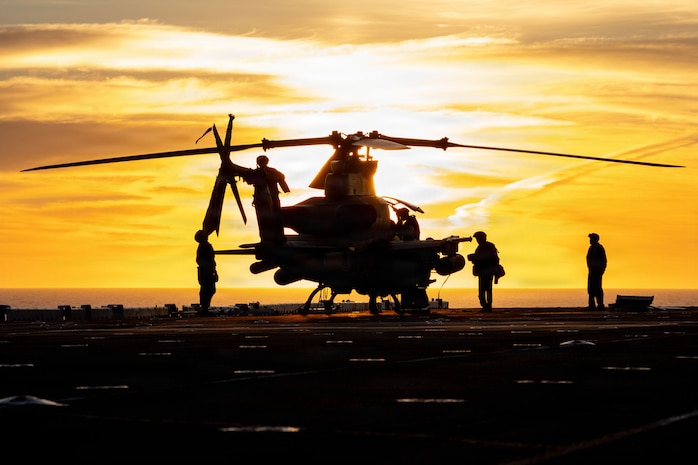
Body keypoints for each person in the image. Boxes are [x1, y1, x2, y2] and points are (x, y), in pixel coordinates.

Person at [467, 231, 500, 312]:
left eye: (478, 238)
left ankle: (487, 306)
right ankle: (486, 306)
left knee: (485, 290)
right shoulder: (486, 246)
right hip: (484, 271)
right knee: (486, 290)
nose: (477, 240)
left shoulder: (486, 247)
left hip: (486, 271)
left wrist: (475, 258)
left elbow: (488, 258)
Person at [195, 229, 217, 315]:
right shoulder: (204, 246)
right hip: (206, 272)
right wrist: (211, 269)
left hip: (206, 271)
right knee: (208, 289)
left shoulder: (204, 246)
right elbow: (205, 260)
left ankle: (205, 307)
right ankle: (204, 308)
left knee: (208, 289)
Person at [586, 232, 607, 310]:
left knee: (597, 288)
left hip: (597, 271)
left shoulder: (599, 248)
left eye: (591, 239)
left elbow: (604, 261)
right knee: (591, 288)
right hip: (591, 270)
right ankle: (592, 305)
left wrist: (601, 271)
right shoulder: (591, 248)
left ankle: (600, 305)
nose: (590, 240)